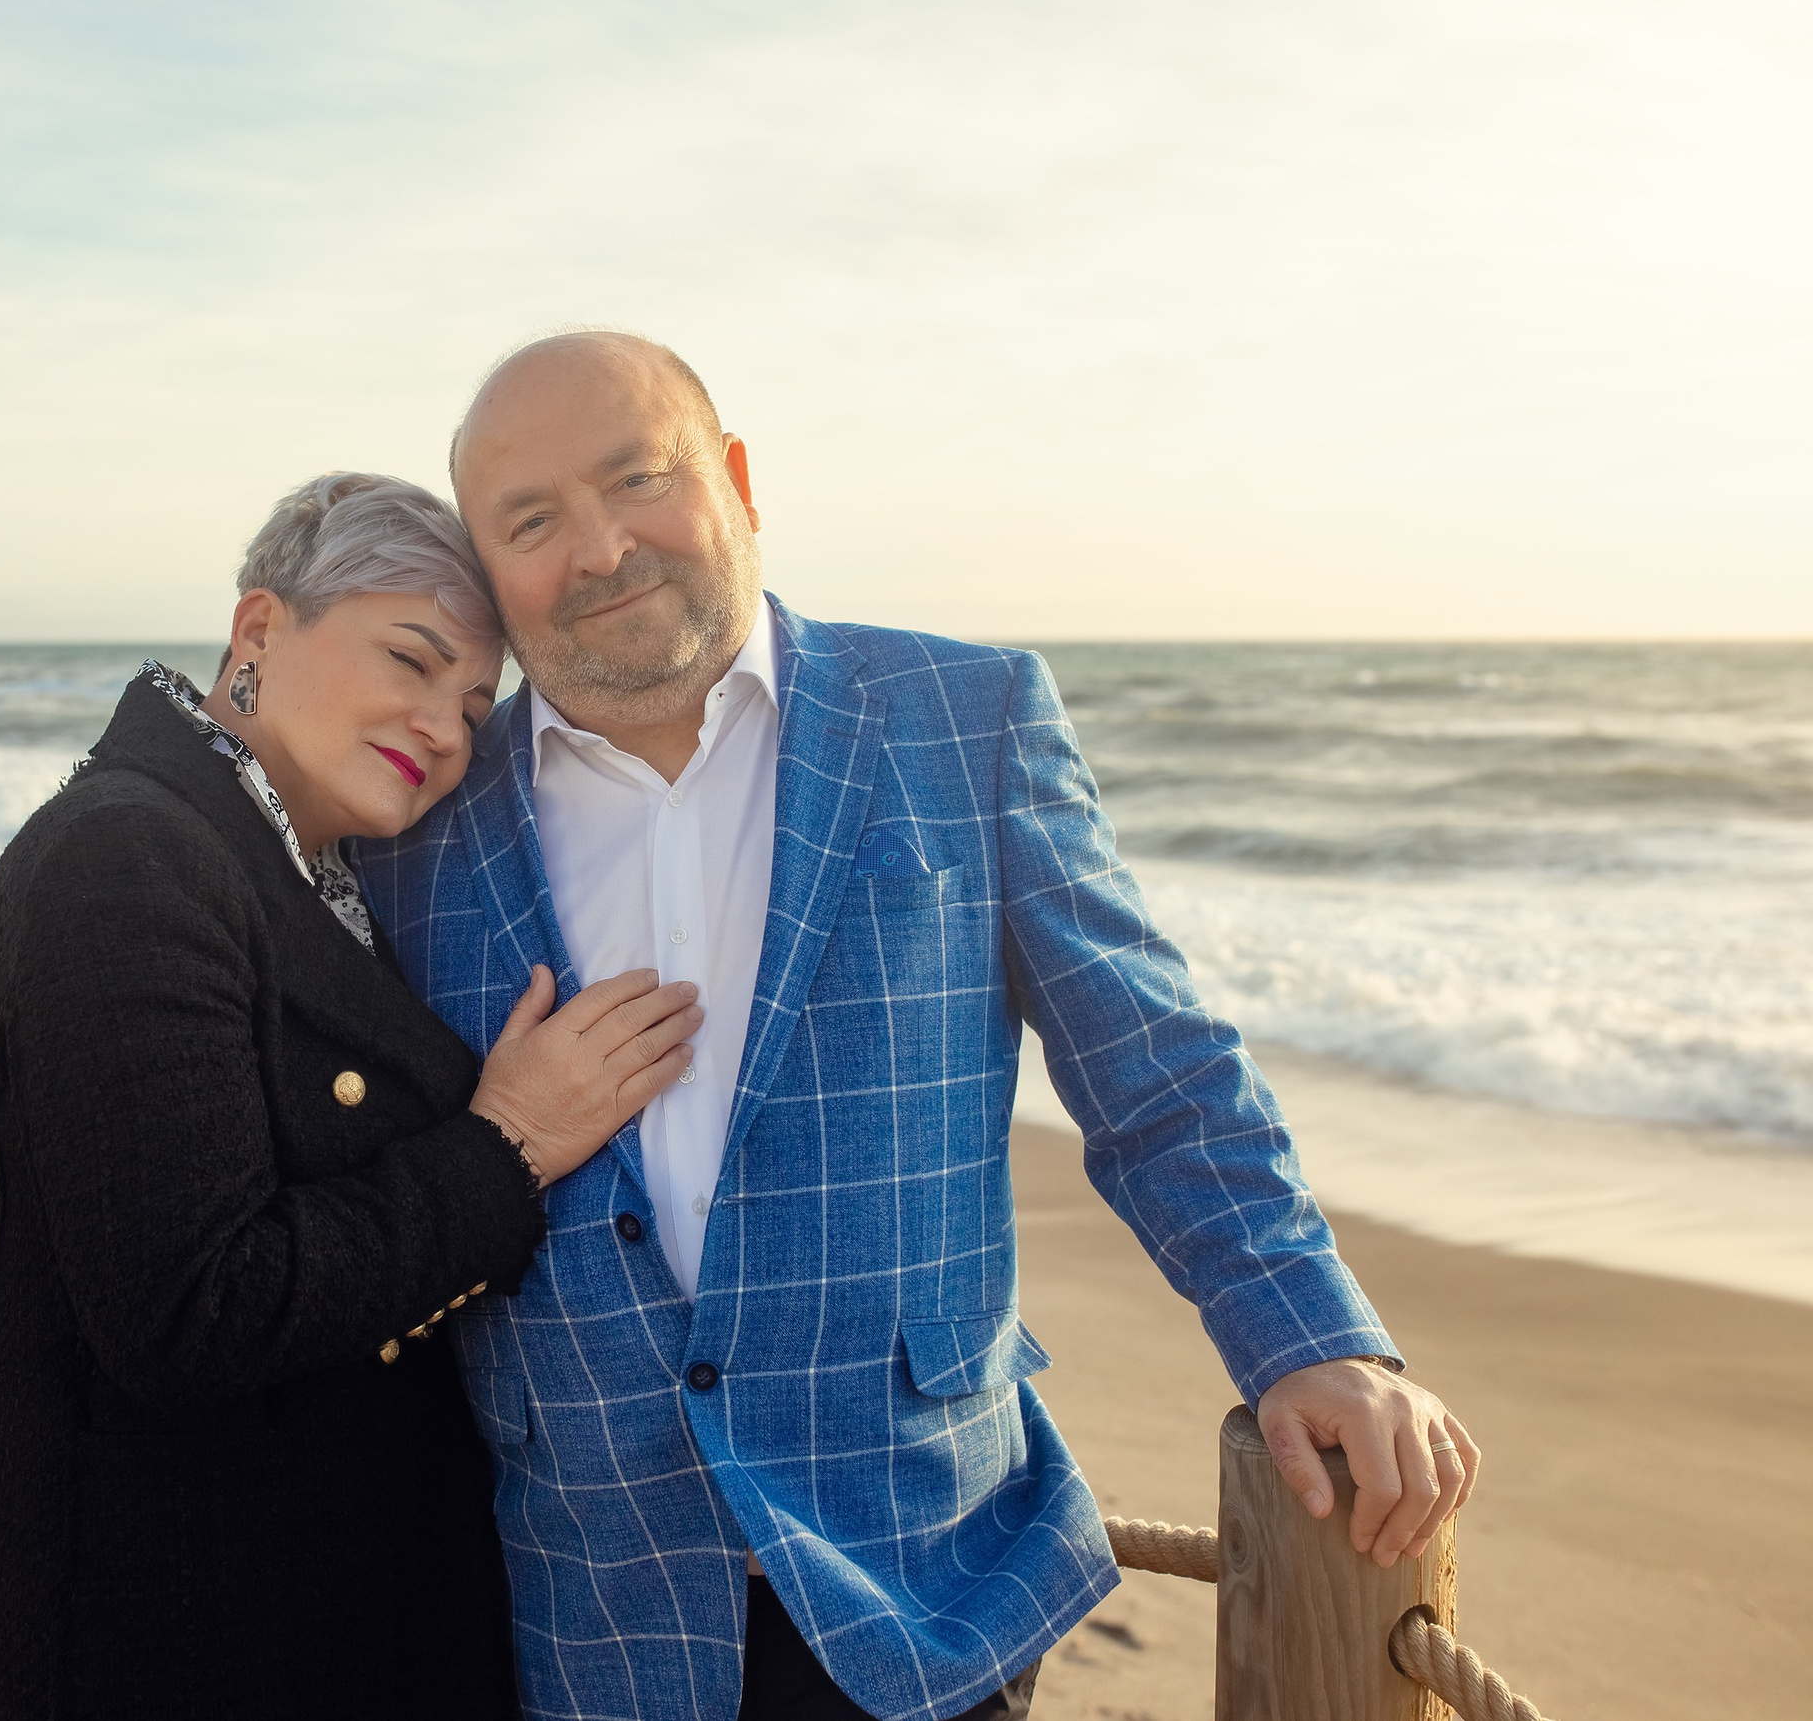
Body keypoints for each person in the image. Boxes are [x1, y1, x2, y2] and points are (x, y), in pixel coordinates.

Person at [358, 334, 1483, 1721]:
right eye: (532, 521)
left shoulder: (966, 719)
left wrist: (1311, 1334)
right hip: (586, 1595)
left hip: (922, 1572)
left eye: (637, 479)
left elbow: (1155, 1072)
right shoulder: (417, 829)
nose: (598, 550)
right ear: (487, 564)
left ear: (736, 479)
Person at [0, 471, 703, 1719]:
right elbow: (191, 1308)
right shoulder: (126, 858)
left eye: (472, 702)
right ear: (261, 631)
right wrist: (508, 1144)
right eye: (411, 656)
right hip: (166, 1634)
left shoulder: (315, 870)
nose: (445, 726)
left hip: (303, 1611)